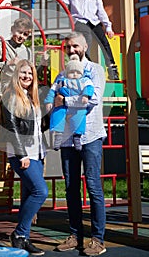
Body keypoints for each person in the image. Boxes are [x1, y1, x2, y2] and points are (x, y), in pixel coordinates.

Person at [51, 32, 107, 256]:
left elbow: (93, 99)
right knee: (71, 187)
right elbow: (52, 98)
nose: (71, 50)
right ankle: (75, 235)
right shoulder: (62, 73)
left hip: (90, 135)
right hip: (67, 137)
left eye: (75, 46)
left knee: (93, 186)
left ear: (85, 46)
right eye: (68, 46)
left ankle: (97, 239)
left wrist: (66, 100)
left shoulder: (94, 70)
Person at [0, 59, 48, 256]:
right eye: (23, 73)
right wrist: (22, 154)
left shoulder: (31, 96)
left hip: (37, 152)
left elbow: (37, 126)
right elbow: (11, 128)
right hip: (22, 153)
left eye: (30, 74)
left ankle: (23, 238)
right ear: (16, 75)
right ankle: (18, 233)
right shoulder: (11, 96)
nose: (27, 76)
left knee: (30, 194)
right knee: (40, 191)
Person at [46, 0, 119, 80]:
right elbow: (60, 0)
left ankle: (112, 68)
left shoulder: (96, 0)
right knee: (86, 43)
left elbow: (102, 15)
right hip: (80, 23)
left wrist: (108, 27)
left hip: (94, 22)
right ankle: (87, 67)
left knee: (104, 43)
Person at [44, 54, 94, 151]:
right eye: (71, 72)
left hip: (77, 107)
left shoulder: (85, 80)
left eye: (77, 72)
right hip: (62, 106)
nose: (75, 74)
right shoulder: (62, 81)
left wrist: (85, 95)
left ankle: (77, 136)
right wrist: (49, 101)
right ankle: (58, 136)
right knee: (57, 114)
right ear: (67, 73)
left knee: (80, 117)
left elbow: (89, 87)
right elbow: (52, 90)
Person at [0, 17, 48, 94]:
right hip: (9, 84)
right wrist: (9, 63)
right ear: (12, 30)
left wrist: (42, 63)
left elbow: (32, 73)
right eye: (19, 32)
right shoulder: (3, 45)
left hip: (24, 85)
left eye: (25, 34)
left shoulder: (27, 51)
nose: (21, 36)